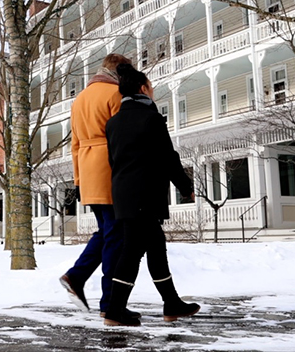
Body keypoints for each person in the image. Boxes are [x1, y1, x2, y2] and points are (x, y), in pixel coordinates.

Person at [102, 63, 197, 326]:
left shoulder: (113, 123)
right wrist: (185, 186)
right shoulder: (151, 119)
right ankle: (114, 311)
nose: (153, 91)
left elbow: (114, 160)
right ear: (143, 88)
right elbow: (168, 157)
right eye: (151, 87)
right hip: (144, 195)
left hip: (123, 195)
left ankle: (171, 303)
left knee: (155, 247)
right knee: (132, 251)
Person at [59, 53, 133, 317]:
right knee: (116, 236)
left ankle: (76, 277)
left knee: (106, 232)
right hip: (110, 169)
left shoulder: (79, 100)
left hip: (88, 170)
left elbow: (75, 144)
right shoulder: (115, 94)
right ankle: (110, 302)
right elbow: (121, 137)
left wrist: (78, 179)